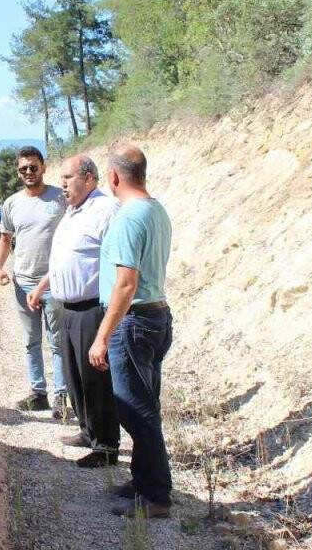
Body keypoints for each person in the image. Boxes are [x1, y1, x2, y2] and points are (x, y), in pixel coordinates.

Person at [89, 144, 174, 519]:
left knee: (136, 412)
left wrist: (103, 335)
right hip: (156, 317)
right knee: (144, 405)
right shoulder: (157, 210)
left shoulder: (128, 217)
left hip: (133, 322)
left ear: (113, 177)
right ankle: (143, 481)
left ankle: (155, 496)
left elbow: (125, 283)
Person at [27, 154, 121, 468]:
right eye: (62, 178)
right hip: (65, 306)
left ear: (90, 178)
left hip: (91, 308)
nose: (62, 184)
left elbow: (118, 261)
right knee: (74, 376)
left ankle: (106, 446)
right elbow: (65, 258)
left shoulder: (106, 210)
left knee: (95, 381)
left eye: (68, 178)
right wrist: (42, 286)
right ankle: (87, 430)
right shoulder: (72, 212)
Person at [0, 146, 68, 417]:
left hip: (54, 284)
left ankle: (62, 396)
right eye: (23, 168)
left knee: (58, 342)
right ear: (18, 172)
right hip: (22, 284)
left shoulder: (60, 198)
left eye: (33, 167)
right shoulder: (11, 203)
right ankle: (39, 394)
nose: (28, 172)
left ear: (43, 167)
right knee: (31, 341)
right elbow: (5, 239)